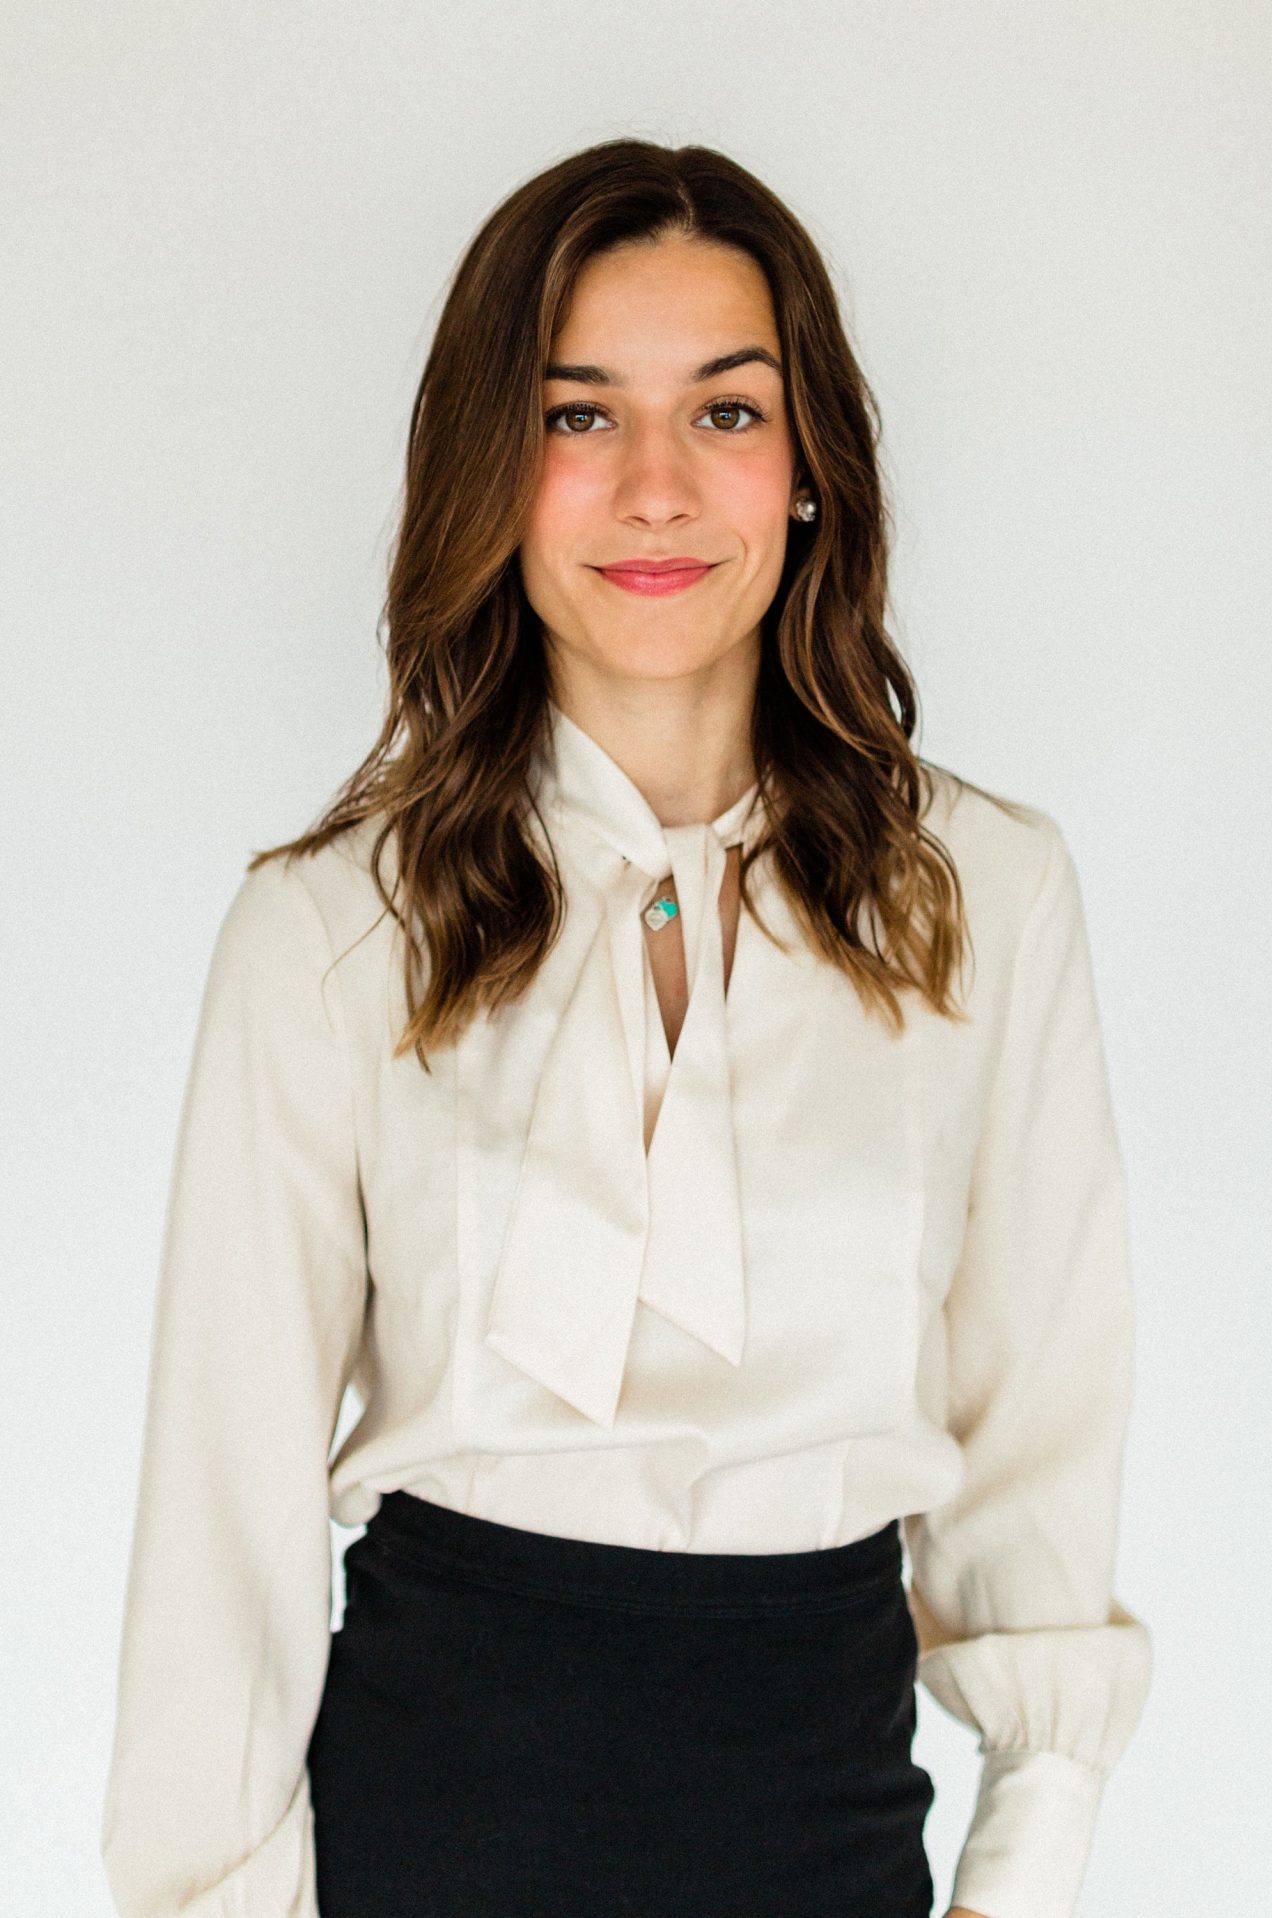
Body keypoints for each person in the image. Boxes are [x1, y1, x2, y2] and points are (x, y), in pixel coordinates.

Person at [100, 138, 1153, 1918]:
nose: (656, 487)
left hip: (824, 1830)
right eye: (578, 416)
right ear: (490, 473)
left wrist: (1020, 1871)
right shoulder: (330, 934)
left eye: (727, 413)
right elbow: (223, 1515)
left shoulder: (983, 898)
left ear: (809, 470)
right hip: (424, 1837)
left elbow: (1043, 1430)